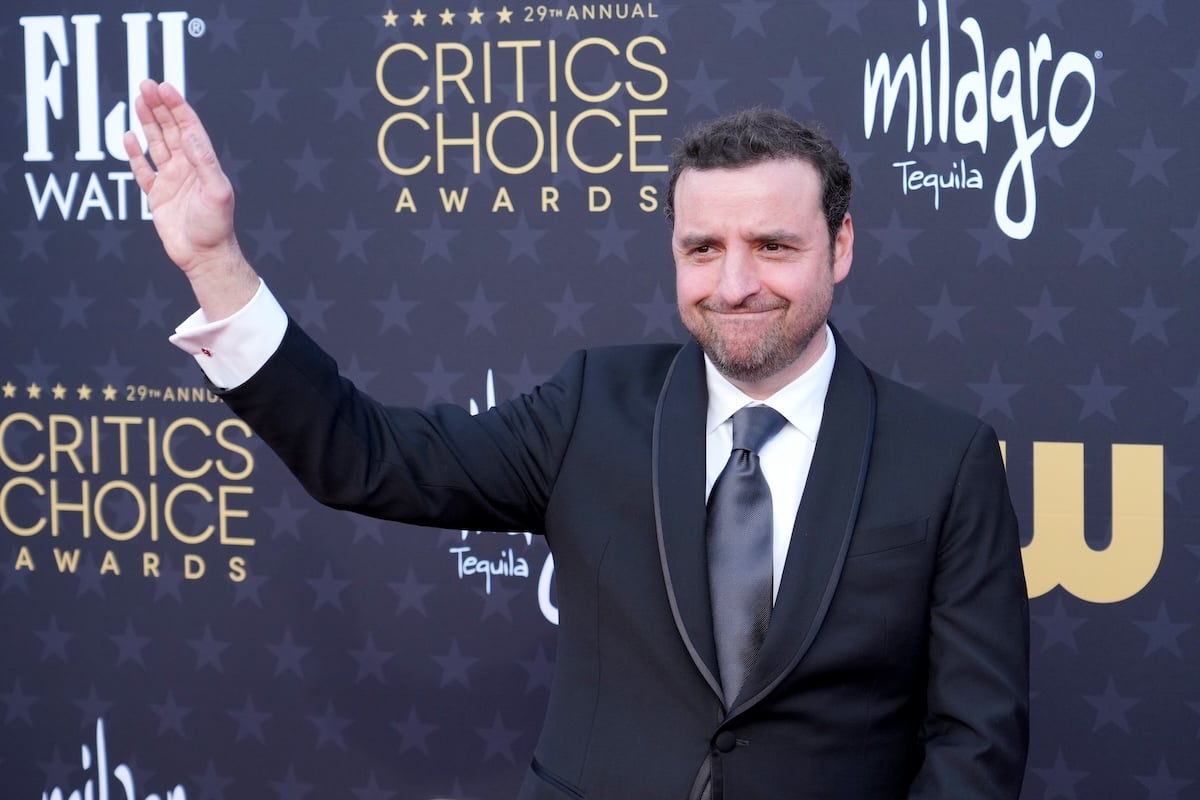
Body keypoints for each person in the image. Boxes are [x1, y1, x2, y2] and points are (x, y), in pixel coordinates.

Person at [126, 79, 1029, 799]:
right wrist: (215, 264)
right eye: (703, 248)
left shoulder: (944, 460)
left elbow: (976, 739)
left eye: (774, 246)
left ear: (841, 247)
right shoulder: (593, 403)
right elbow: (368, 459)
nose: (736, 281)